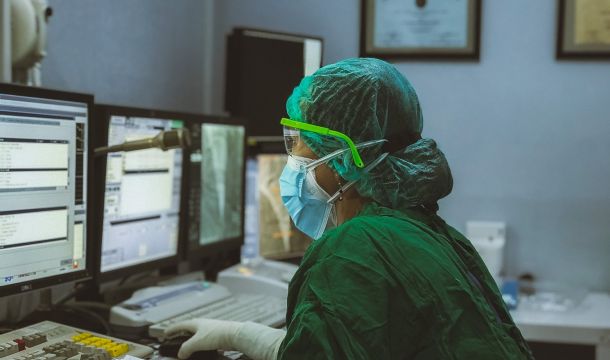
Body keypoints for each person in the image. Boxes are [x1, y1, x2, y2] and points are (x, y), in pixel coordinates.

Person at [166, 58, 534, 359]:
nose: (290, 158)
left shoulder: (354, 249)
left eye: (298, 141)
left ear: (347, 155)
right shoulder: (431, 234)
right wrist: (237, 333)